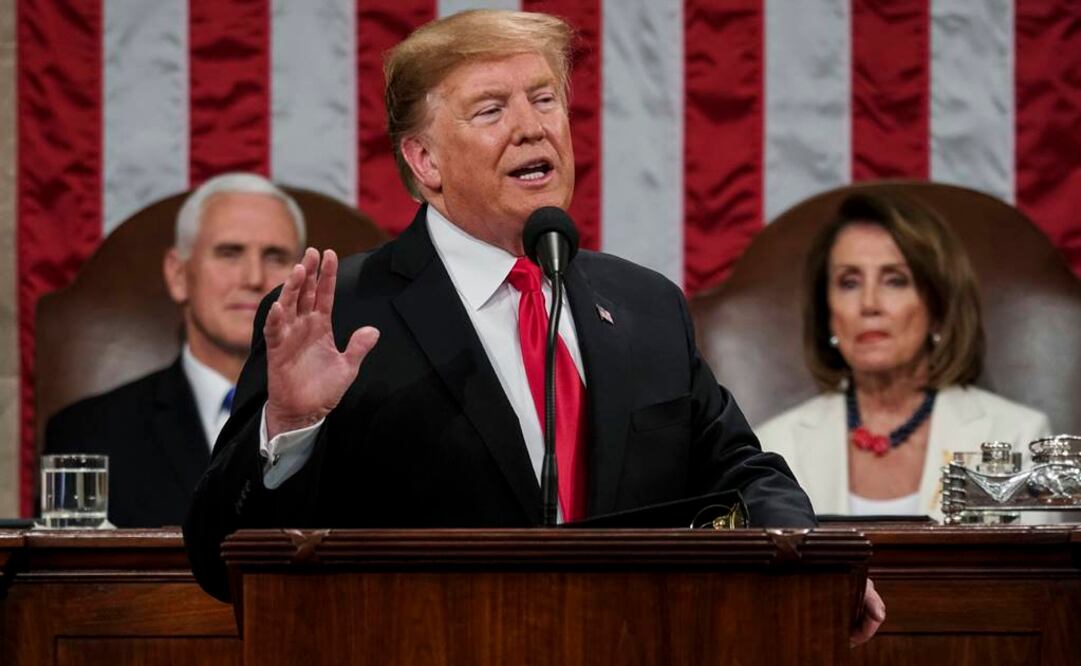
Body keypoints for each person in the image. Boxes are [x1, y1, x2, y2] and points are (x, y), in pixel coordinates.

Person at [183, 10, 881, 644]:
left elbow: (740, 472)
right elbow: (220, 560)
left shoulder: (645, 306)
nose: (532, 126)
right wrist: (289, 429)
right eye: (490, 110)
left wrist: (812, 563)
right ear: (423, 161)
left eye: (544, 99)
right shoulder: (340, 318)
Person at [756, 190, 1051, 520]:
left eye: (895, 280)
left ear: (938, 307)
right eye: (849, 282)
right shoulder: (775, 447)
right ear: (828, 311)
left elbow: (1029, 571)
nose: (869, 304)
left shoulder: (1016, 437)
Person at [45, 172, 305, 528]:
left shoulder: (355, 425)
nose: (254, 277)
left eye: (275, 256)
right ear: (179, 274)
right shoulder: (89, 433)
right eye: (229, 253)